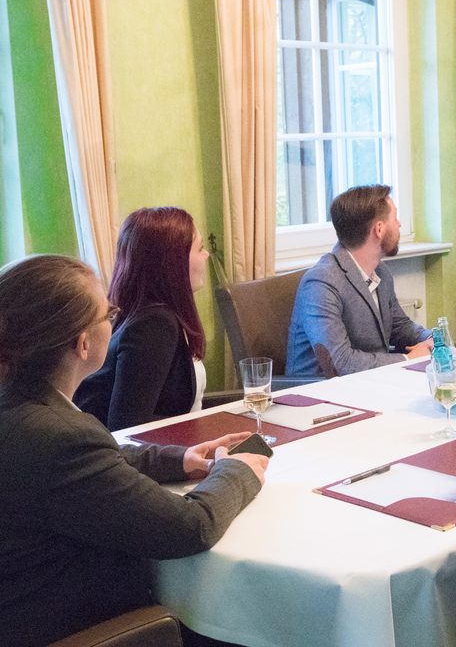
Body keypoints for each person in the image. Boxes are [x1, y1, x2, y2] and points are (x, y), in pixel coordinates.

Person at [0, 254, 268, 647]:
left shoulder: (24, 410)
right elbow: (190, 527)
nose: (115, 321)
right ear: (84, 342)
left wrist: (181, 459)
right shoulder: (59, 436)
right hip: (85, 627)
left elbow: (100, 459)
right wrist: (239, 471)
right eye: (109, 313)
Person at [75, 206, 210, 429]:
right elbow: (129, 425)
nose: (206, 255)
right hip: (149, 458)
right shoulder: (154, 324)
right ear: (173, 262)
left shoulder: (140, 313)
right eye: (200, 249)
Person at [286, 184, 432, 377]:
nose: (399, 224)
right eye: (395, 218)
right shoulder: (321, 283)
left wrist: (433, 340)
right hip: (319, 395)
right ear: (379, 229)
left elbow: (400, 327)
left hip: (368, 384)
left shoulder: (380, 272)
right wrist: (408, 359)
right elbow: (341, 362)